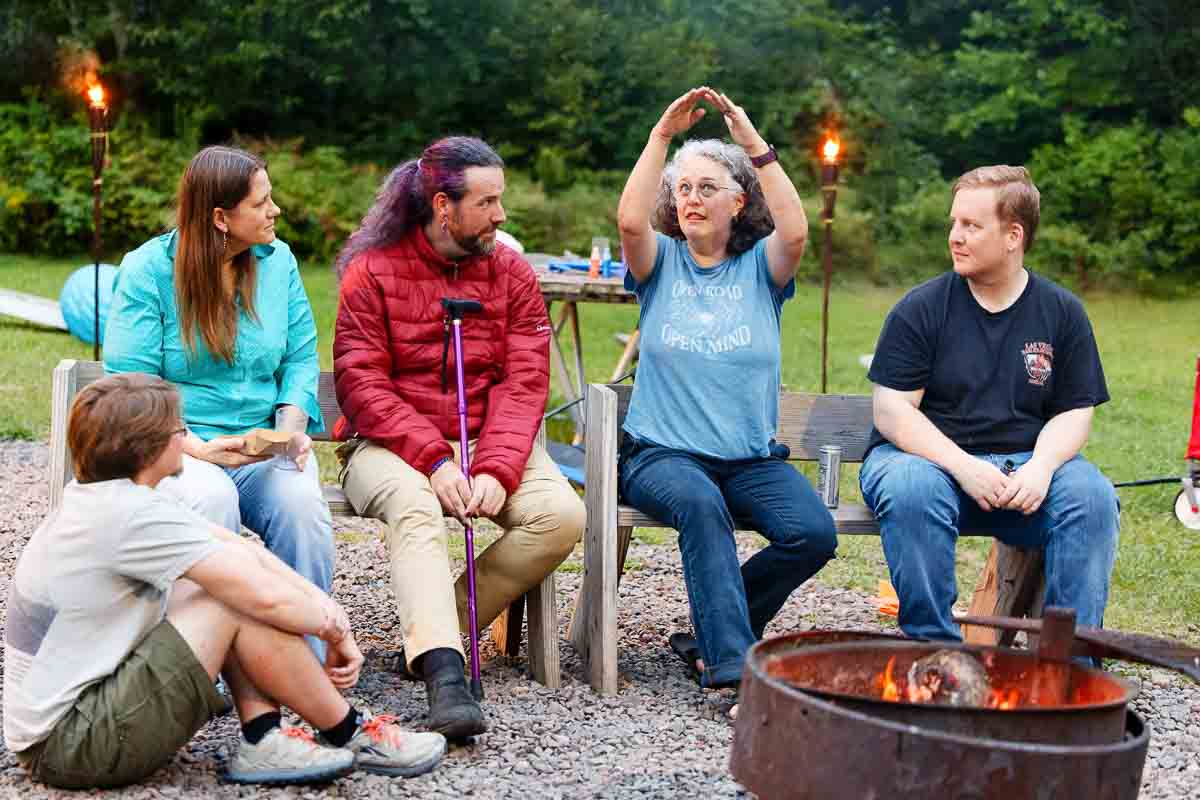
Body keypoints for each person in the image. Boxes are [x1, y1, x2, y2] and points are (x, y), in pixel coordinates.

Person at [3, 373, 445, 790]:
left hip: (69, 725)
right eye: (179, 429)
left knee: (220, 585)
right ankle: (350, 731)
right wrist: (332, 629)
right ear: (146, 448)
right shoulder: (130, 517)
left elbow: (240, 552)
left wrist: (330, 612)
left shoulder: (118, 499)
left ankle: (266, 739)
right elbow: (260, 597)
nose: (186, 437)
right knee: (230, 600)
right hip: (69, 745)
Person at [332, 136, 585, 738]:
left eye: (501, 201)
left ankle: (439, 628)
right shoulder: (372, 273)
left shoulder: (513, 275)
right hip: (387, 445)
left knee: (561, 515)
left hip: (488, 441)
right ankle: (446, 674)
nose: (501, 215)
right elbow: (362, 383)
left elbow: (525, 382)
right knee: (416, 506)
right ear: (443, 206)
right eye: (488, 202)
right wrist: (433, 458)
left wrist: (496, 468)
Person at [614, 87, 838, 690]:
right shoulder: (659, 262)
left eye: (707, 188)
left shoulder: (762, 269)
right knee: (698, 503)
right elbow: (630, 219)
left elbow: (796, 230)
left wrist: (754, 146)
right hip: (661, 454)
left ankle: (710, 631)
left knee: (814, 533)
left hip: (748, 459)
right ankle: (732, 667)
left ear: (740, 202)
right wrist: (662, 136)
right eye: (683, 188)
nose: (691, 198)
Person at [860, 165, 1119, 642]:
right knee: (912, 487)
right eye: (954, 224)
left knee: (1091, 497)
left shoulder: (1062, 313)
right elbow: (892, 412)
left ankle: (1070, 667)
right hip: (927, 463)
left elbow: (1074, 412)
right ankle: (934, 654)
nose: (955, 237)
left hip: (1023, 471)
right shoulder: (922, 308)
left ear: (1013, 235)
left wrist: (1041, 468)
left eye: (971, 226)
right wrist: (963, 466)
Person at [104, 145, 334, 658]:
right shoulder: (147, 271)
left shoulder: (279, 263)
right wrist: (201, 450)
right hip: (180, 447)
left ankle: (304, 657)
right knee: (211, 497)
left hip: (257, 449)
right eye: (261, 203)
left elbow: (300, 357)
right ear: (220, 217)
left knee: (301, 505)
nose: (275, 211)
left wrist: (290, 428)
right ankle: (201, 659)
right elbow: (134, 388)